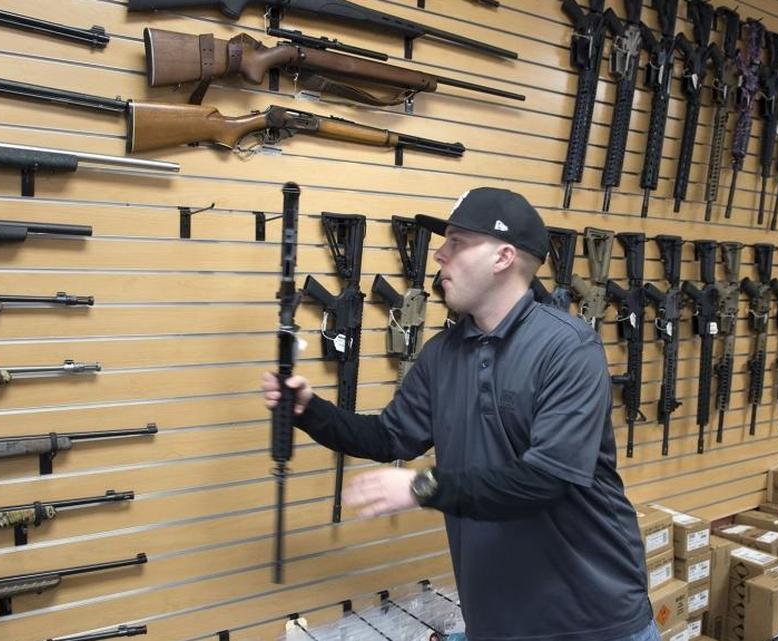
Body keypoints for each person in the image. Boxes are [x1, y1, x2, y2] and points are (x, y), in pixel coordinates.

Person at [261, 187, 655, 641]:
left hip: (593, 622)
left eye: (457, 242)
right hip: (497, 622)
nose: (439, 256)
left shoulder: (568, 348)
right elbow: (389, 437)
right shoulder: (441, 354)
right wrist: (309, 411)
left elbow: (546, 478)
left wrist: (423, 487)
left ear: (503, 257)